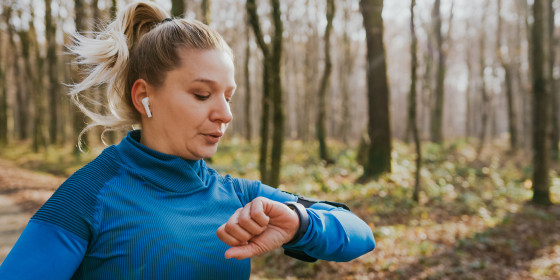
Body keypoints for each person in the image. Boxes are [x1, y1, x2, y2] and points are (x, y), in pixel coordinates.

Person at [0, 1, 375, 279]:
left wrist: (300, 221)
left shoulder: (239, 198)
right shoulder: (89, 195)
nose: (225, 114)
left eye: (228, 96)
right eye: (202, 95)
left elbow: (359, 235)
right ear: (143, 96)